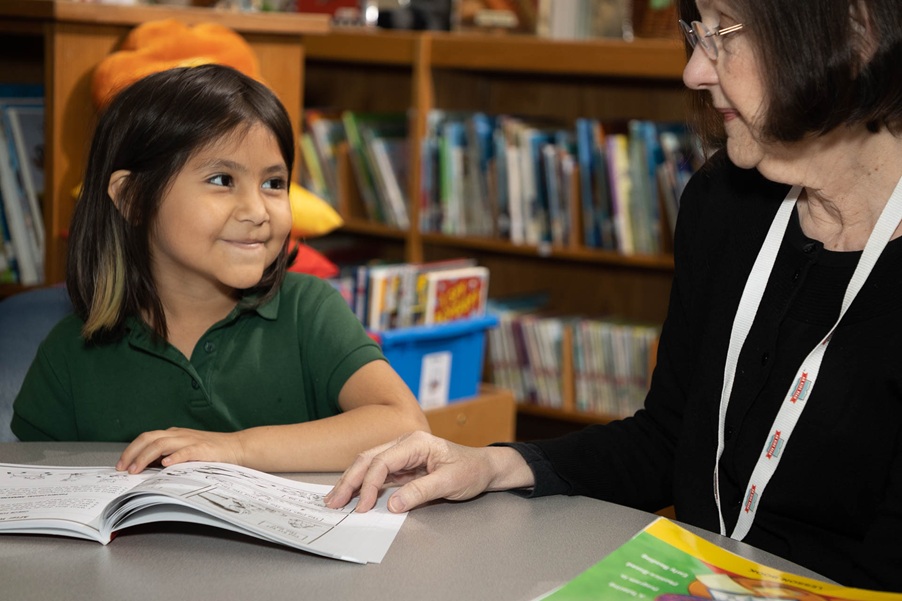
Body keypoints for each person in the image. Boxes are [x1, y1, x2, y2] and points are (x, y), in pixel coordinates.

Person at [325, 0, 902, 591]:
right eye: (697, 34)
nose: (694, 72)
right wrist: (492, 464)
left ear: (855, 33)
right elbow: (670, 439)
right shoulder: (723, 203)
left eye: (725, 32)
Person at [11, 64, 429, 474]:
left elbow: (405, 426)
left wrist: (237, 448)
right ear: (132, 198)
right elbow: (32, 483)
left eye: (273, 183)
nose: (257, 211)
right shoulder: (68, 354)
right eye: (222, 180)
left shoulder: (308, 309)